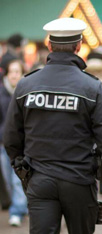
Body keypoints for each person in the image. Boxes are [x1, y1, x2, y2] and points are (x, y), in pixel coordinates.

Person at [3, 18, 102, 234]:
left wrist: (21, 168)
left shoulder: (26, 84)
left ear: (49, 45)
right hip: (79, 179)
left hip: (40, 178)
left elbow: (11, 134)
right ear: (78, 47)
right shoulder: (91, 87)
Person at [0, 59, 27, 226]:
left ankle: (17, 210)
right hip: (3, 144)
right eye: (12, 72)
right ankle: (21, 205)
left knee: (18, 179)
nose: (14, 75)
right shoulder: (1, 93)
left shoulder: (26, 92)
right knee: (8, 180)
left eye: (17, 71)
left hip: (23, 145)